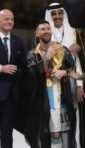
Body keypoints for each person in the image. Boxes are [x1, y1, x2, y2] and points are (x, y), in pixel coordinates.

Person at [45, 3, 85, 148]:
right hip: (52, 84)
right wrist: (67, 49)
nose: (57, 16)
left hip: (71, 82)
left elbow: (77, 62)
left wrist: (80, 85)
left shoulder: (73, 32)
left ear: (64, 14)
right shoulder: (44, 33)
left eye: (60, 13)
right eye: (54, 14)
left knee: (73, 118)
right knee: (54, 121)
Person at [34, 20, 75, 148]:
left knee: (65, 135)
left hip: (62, 98)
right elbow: (34, 74)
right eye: (42, 29)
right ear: (36, 33)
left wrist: (64, 72)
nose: (46, 31)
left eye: (48, 28)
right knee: (47, 136)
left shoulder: (62, 49)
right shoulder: (32, 54)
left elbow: (73, 69)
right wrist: (47, 57)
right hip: (42, 102)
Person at [0, 9, 27, 148]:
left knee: (6, 133)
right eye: (6, 19)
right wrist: (1, 68)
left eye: (11, 19)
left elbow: (24, 66)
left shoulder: (18, 41)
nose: (9, 21)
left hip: (10, 96)